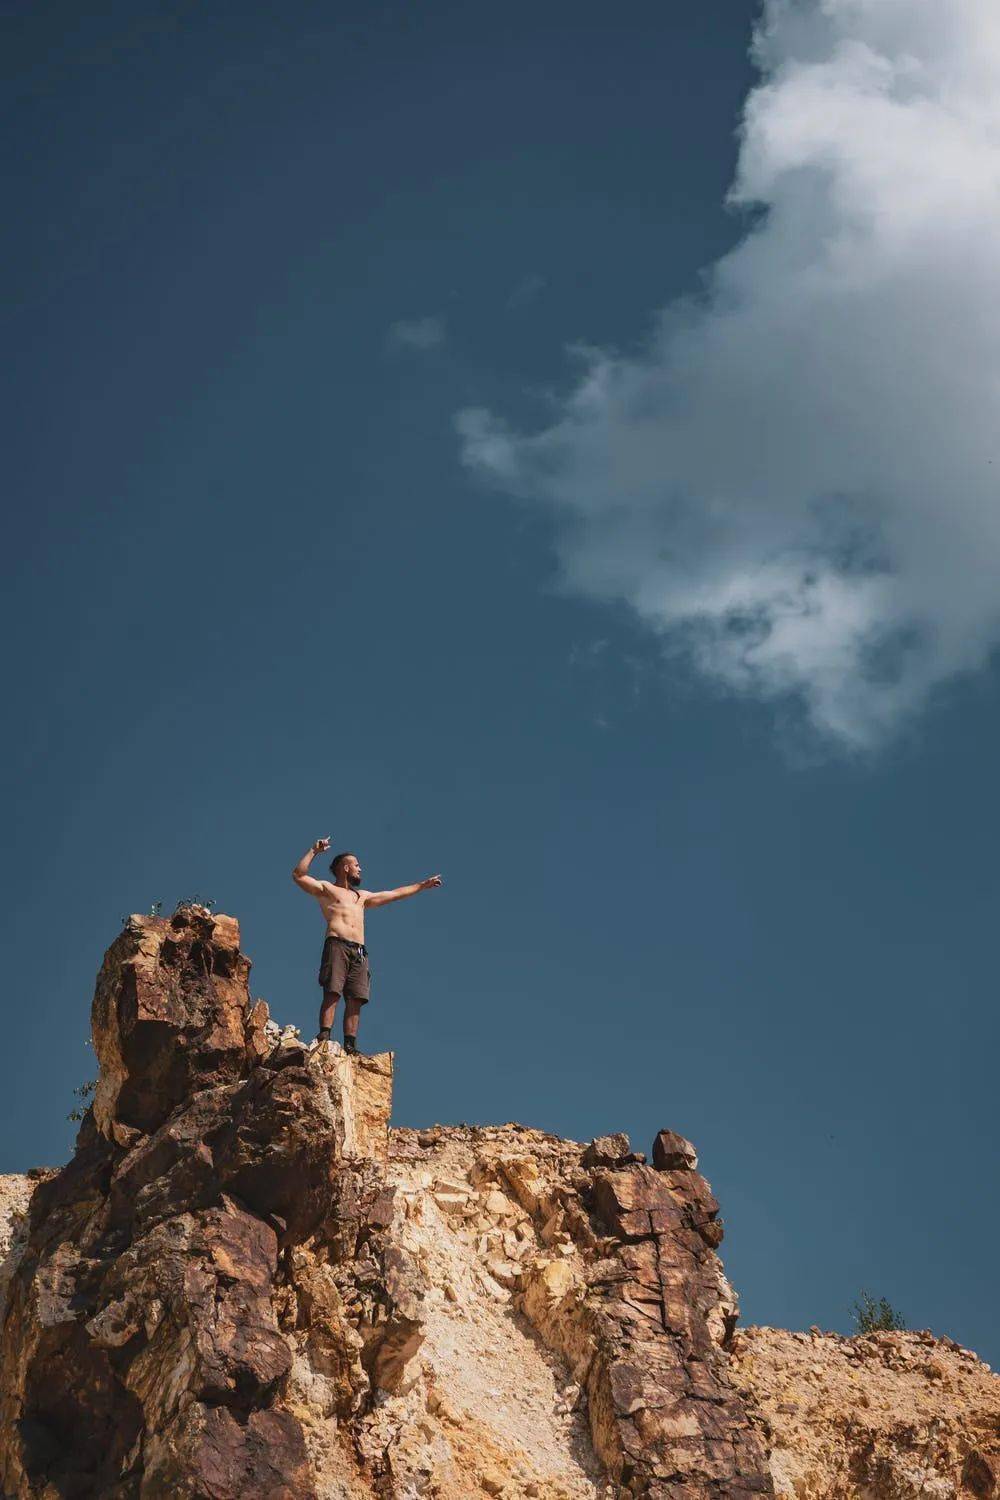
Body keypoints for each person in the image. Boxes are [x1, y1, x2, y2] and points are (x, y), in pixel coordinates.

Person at [292, 836, 442, 1055]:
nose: (360, 869)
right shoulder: (327, 889)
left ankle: (351, 1045)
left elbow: (393, 895)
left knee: (356, 998)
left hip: (359, 951)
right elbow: (299, 875)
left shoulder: (361, 896)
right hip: (337, 945)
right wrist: (314, 850)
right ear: (345, 868)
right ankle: (324, 1035)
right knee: (333, 992)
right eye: (356, 865)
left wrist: (421, 886)